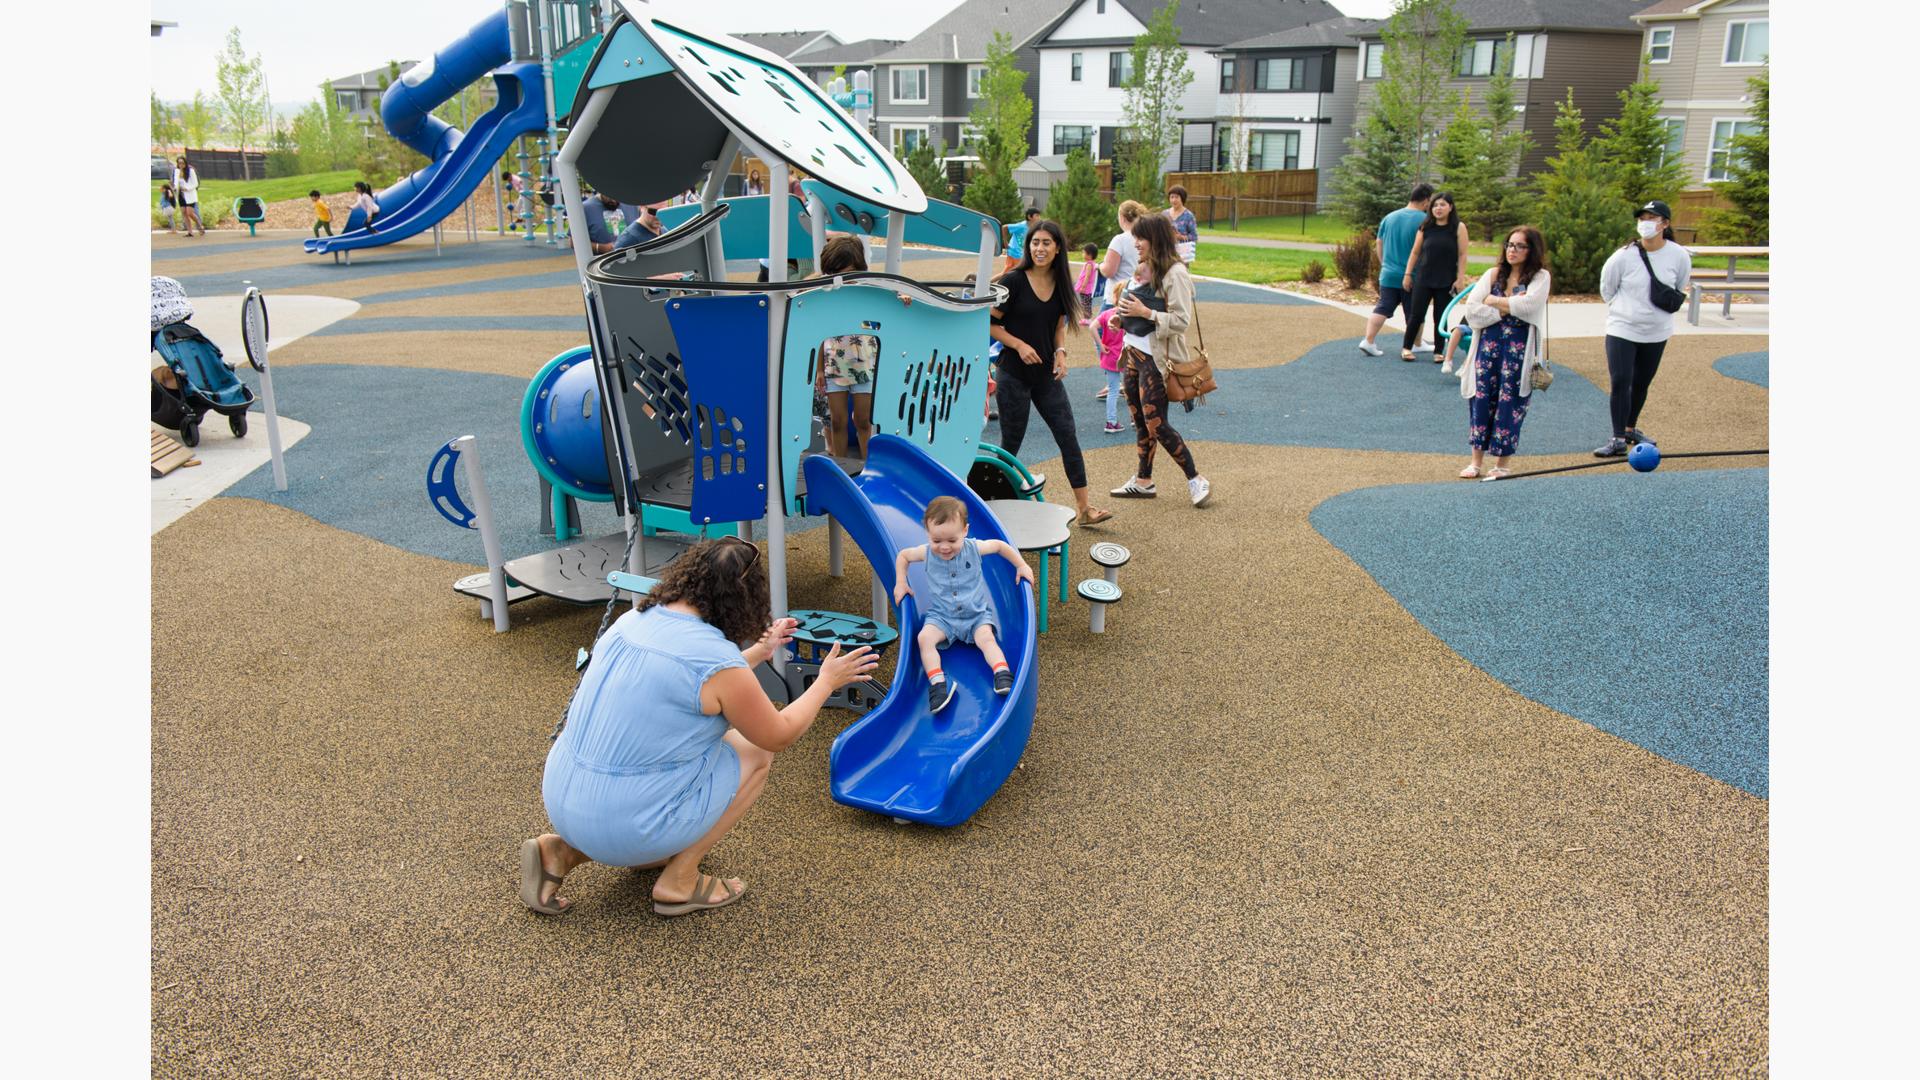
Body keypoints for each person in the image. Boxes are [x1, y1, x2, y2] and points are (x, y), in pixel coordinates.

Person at [521, 537, 880, 917]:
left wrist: (758, 653)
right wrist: (826, 681)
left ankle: (561, 851)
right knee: (754, 751)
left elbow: (693, 682)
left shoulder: (632, 620)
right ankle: (680, 879)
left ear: (687, 578)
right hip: (627, 823)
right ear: (745, 599)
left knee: (685, 743)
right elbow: (779, 733)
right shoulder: (718, 662)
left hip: (563, 798)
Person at [990, 219, 1113, 526]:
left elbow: (1057, 326)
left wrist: (1060, 352)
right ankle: (991, 504)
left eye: (1046, 243)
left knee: (1067, 435)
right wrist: (1018, 345)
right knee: (1011, 444)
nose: (1039, 248)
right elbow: (989, 324)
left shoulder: (1061, 286)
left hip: (1046, 375)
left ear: (1058, 248)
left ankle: (1085, 509)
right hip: (1013, 374)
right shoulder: (1013, 282)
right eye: (1035, 242)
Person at [893, 496, 1034, 711]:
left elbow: (999, 546)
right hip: (942, 617)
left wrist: (1021, 565)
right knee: (924, 638)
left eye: (952, 540)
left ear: (965, 531)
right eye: (937, 541)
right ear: (928, 533)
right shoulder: (926, 552)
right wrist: (901, 582)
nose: (944, 547)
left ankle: (1001, 672)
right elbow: (903, 556)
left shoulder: (974, 548)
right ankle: (938, 683)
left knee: (986, 638)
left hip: (975, 615)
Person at [1109, 213, 1212, 507]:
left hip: (1157, 360)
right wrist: (1122, 318)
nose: (1135, 242)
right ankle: (1144, 480)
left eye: (1140, 237)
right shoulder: (1145, 269)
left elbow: (1181, 321)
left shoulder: (1174, 274)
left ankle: (1196, 478)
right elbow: (1135, 306)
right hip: (1133, 355)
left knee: (1157, 424)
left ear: (1155, 239)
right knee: (1140, 420)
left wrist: (1146, 314)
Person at [1594, 200, 1691, 457]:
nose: (1646, 223)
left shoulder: (1678, 255)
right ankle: (1616, 438)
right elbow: (1607, 288)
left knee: (1641, 382)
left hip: (1657, 330)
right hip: (1622, 328)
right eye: (1642, 217)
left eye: (1652, 217)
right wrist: (1624, 309)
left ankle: (1629, 428)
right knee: (1621, 379)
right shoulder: (1623, 256)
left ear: (1665, 224)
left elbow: (1679, 284)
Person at [1455, 225, 1551, 481]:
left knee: (1511, 403)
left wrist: (1496, 301)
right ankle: (1476, 461)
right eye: (1510, 244)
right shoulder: (1493, 274)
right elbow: (1473, 312)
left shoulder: (1540, 277)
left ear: (1532, 250)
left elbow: (1530, 306)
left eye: (1520, 246)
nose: (1513, 250)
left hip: (1519, 354)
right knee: (1481, 400)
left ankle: (1502, 463)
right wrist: (1507, 308)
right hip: (1488, 350)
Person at [814, 236, 882, 458]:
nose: (843, 279)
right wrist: (820, 370)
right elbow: (818, 334)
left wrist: (902, 297)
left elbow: (889, 303)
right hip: (834, 361)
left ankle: (867, 466)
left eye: (849, 273)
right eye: (836, 273)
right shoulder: (826, 294)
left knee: (863, 420)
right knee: (837, 420)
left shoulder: (867, 291)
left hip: (863, 361)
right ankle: (842, 467)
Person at [1358, 183, 1433, 356]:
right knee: (1415, 312)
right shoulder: (1424, 220)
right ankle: (1416, 343)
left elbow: (1379, 242)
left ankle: (1368, 341)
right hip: (1412, 275)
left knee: (1383, 307)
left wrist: (1384, 263)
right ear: (1426, 200)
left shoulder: (1390, 217)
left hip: (1388, 273)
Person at [1399, 191, 1469, 362]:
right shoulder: (1426, 227)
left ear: (1450, 207)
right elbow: (1415, 253)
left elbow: (1462, 255)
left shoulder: (1459, 227)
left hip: (1446, 279)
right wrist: (1408, 274)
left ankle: (1439, 351)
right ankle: (1407, 347)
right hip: (1424, 277)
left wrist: (1460, 278)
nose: (1438, 208)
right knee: (1416, 314)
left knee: (1441, 316)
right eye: (1435, 205)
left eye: (1442, 205)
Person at [1097, 200, 1148, 314]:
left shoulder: (1119, 240)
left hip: (1117, 296)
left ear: (1123, 218)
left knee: (1101, 330)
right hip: (1139, 296)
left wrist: (1100, 266)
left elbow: (1109, 271)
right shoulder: (1146, 238)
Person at [1091, 304, 1125, 433]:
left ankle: (1111, 422)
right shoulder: (1128, 315)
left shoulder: (1106, 314)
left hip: (1109, 355)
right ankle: (1135, 418)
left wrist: (1100, 345)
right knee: (1132, 388)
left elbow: (1092, 327)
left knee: (1113, 390)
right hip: (1126, 355)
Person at [1166, 185, 1199, 264]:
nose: (1174, 200)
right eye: (1172, 197)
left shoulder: (1188, 216)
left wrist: (1180, 237)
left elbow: (1194, 237)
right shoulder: (1164, 214)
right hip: (1166, 253)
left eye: (1177, 197)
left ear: (1182, 198)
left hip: (1182, 255)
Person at [1074, 242, 1104, 328]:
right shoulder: (1092, 264)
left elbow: (1087, 277)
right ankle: (1087, 318)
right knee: (1086, 303)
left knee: (1085, 304)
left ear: (1089, 255)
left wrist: (1083, 286)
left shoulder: (1089, 265)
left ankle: (1088, 319)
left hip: (1086, 289)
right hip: (1087, 288)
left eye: (1084, 253)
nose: (1082, 254)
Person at [173, 156, 204, 237]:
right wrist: (174, 187)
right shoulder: (176, 171)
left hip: (190, 195)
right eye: (179, 163)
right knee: (184, 213)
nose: (181, 165)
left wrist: (187, 188)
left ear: (185, 163)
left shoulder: (191, 171)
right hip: (181, 195)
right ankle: (190, 232)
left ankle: (200, 226)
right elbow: (176, 182)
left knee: (190, 213)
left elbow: (196, 183)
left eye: (182, 163)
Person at [1004, 207, 1039, 274]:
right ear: (1029, 217)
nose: (1039, 218)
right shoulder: (1022, 225)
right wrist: (1005, 242)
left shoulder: (1032, 227)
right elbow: (1004, 227)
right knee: (1023, 272)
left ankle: (986, 283)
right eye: (1037, 215)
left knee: (1006, 273)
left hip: (1018, 253)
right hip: (1015, 252)